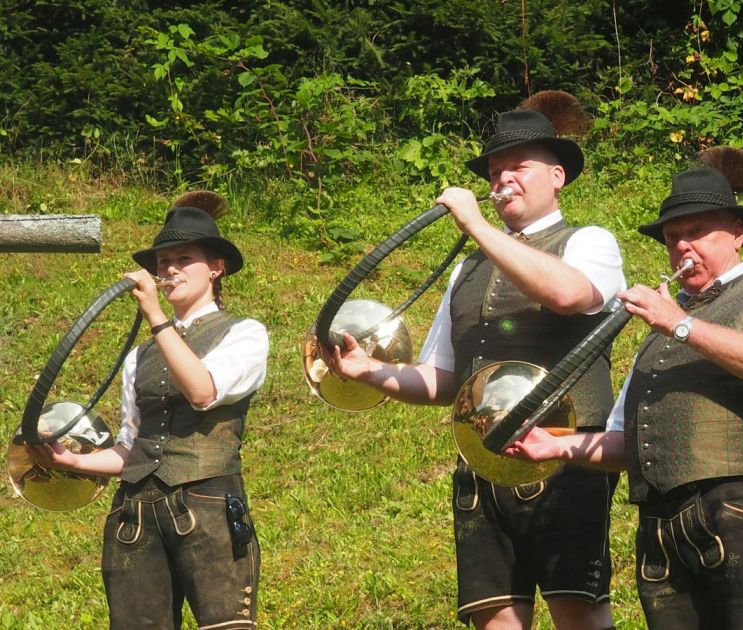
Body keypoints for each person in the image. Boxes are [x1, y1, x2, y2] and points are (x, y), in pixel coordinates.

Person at [322, 91, 626, 629]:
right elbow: (443, 379)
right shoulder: (467, 270)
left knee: (577, 610)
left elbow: (570, 295)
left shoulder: (589, 241)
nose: (503, 178)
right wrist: (367, 371)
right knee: (495, 617)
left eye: (518, 167)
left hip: (564, 456)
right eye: (494, 171)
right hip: (482, 458)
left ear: (557, 176)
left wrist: (478, 228)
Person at [507, 150, 743, 630]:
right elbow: (625, 440)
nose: (683, 247)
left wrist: (679, 323)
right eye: (673, 238)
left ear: (737, 234)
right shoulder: (658, 335)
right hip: (662, 525)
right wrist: (556, 445)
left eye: (698, 232)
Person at [28, 191, 269, 629]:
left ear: (216, 268)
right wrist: (71, 461)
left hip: (208, 508)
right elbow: (130, 447)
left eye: (183, 259)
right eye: (163, 262)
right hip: (136, 514)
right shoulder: (140, 356)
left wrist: (157, 317)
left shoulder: (245, 333)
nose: (170, 270)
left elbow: (203, 391)